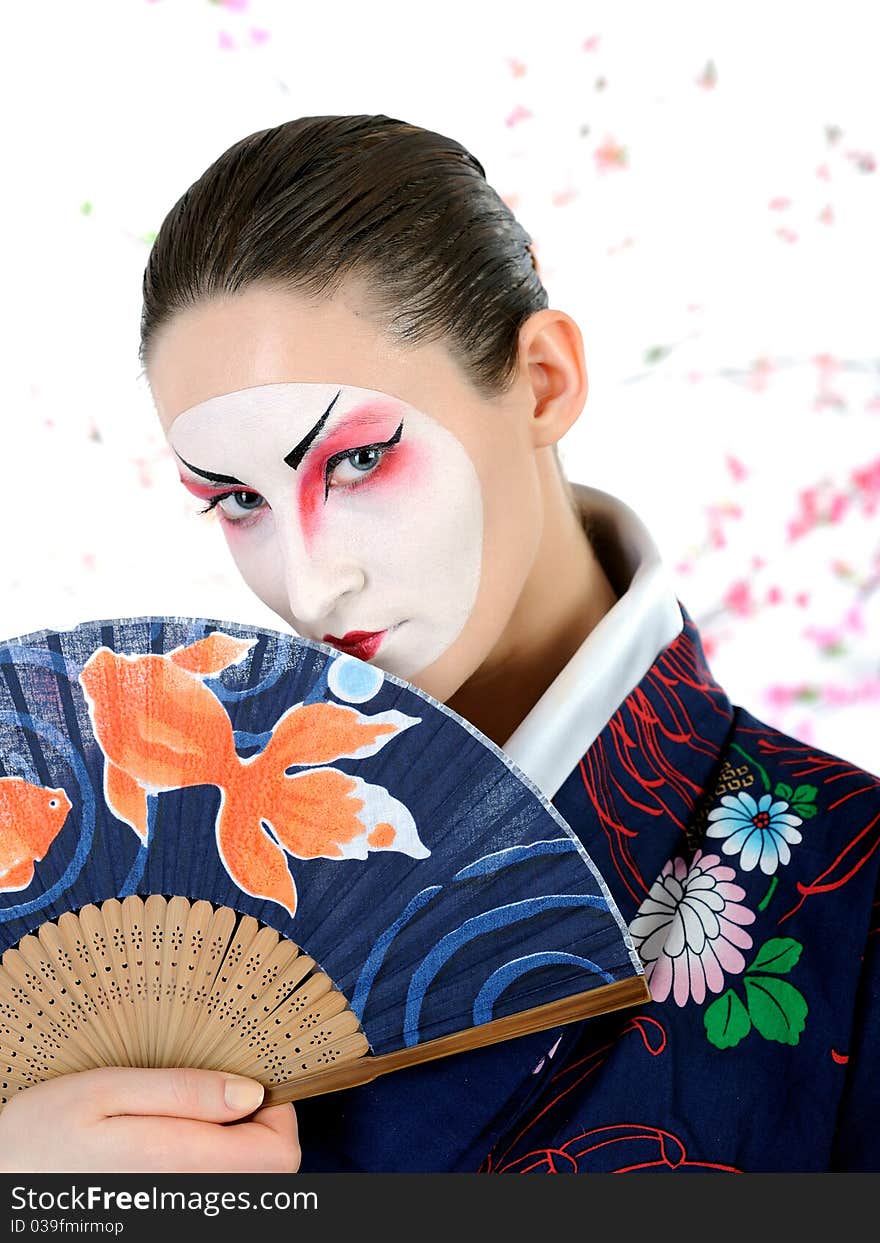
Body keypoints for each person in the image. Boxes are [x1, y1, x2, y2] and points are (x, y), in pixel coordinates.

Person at [2, 114, 878, 1174]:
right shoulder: (151, 864)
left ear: (544, 380)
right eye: (237, 500)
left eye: (360, 459)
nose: (309, 580)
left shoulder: (856, 900)